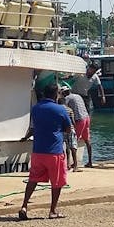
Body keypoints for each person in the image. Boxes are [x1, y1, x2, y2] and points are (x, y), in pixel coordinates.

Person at [19, 83, 70, 220]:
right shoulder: (60, 109)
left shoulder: (35, 109)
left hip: (38, 150)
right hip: (54, 151)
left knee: (33, 179)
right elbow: (68, 128)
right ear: (55, 94)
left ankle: (24, 205)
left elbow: (34, 127)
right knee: (57, 182)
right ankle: (52, 210)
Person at [62, 84, 92, 169]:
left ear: (64, 93)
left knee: (73, 142)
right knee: (87, 140)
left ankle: (73, 164)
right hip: (86, 118)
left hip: (79, 120)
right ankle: (90, 162)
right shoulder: (78, 95)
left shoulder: (67, 98)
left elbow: (64, 109)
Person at [57, 93, 79, 172]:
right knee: (73, 147)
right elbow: (73, 121)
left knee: (64, 148)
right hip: (70, 129)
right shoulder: (69, 109)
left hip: (61, 130)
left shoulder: (57, 109)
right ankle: (75, 166)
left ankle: (67, 164)